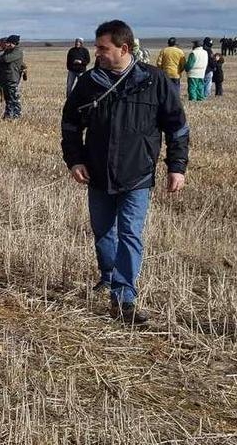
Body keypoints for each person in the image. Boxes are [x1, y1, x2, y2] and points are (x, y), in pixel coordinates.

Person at [61, 19, 189, 324]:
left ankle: (124, 297)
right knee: (104, 232)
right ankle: (108, 276)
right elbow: (70, 124)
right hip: (98, 172)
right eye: (96, 47)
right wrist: (75, 160)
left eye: (103, 48)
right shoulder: (89, 82)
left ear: (124, 48)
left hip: (138, 174)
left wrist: (177, 167)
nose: (97, 53)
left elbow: (177, 126)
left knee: (130, 233)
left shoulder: (154, 80)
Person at [0, 34, 24, 119]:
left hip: (12, 78)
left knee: (14, 98)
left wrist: (2, 55)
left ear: (14, 43)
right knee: (8, 98)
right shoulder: (9, 51)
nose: (7, 45)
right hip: (6, 78)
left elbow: (6, 59)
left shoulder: (17, 52)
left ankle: (17, 114)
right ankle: (8, 114)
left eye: (9, 43)